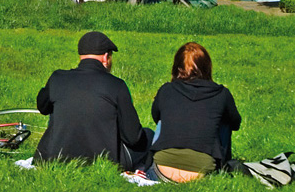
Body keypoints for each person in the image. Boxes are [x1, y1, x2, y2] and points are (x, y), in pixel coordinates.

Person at [34, 31, 151, 170]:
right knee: (149, 135)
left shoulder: (57, 78)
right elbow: (133, 137)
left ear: (81, 56)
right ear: (106, 57)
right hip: (104, 162)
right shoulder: (117, 85)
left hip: (56, 157)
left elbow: (42, 107)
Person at [148, 42, 241, 184]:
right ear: (207, 67)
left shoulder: (166, 90)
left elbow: (156, 117)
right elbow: (235, 122)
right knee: (225, 121)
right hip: (201, 171)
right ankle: (222, 165)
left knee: (163, 118)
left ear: (177, 68)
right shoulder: (222, 94)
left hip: (162, 170)